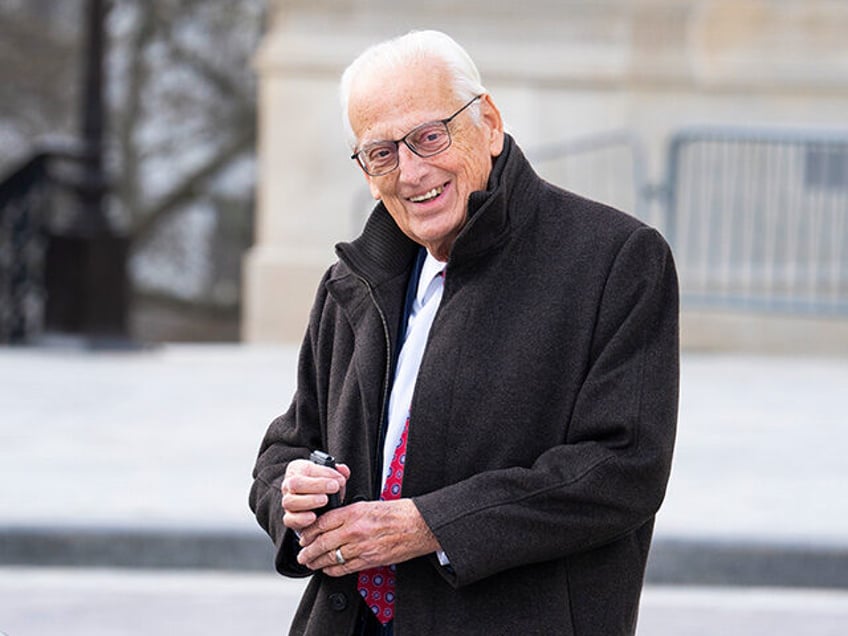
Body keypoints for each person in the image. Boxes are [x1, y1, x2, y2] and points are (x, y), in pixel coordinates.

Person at [249, 29, 679, 636]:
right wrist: (290, 494)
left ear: (490, 123)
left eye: (429, 136)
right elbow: (285, 448)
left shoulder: (616, 259)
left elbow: (622, 469)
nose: (411, 171)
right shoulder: (352, 281)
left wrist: (429, 525)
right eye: (381, 153)